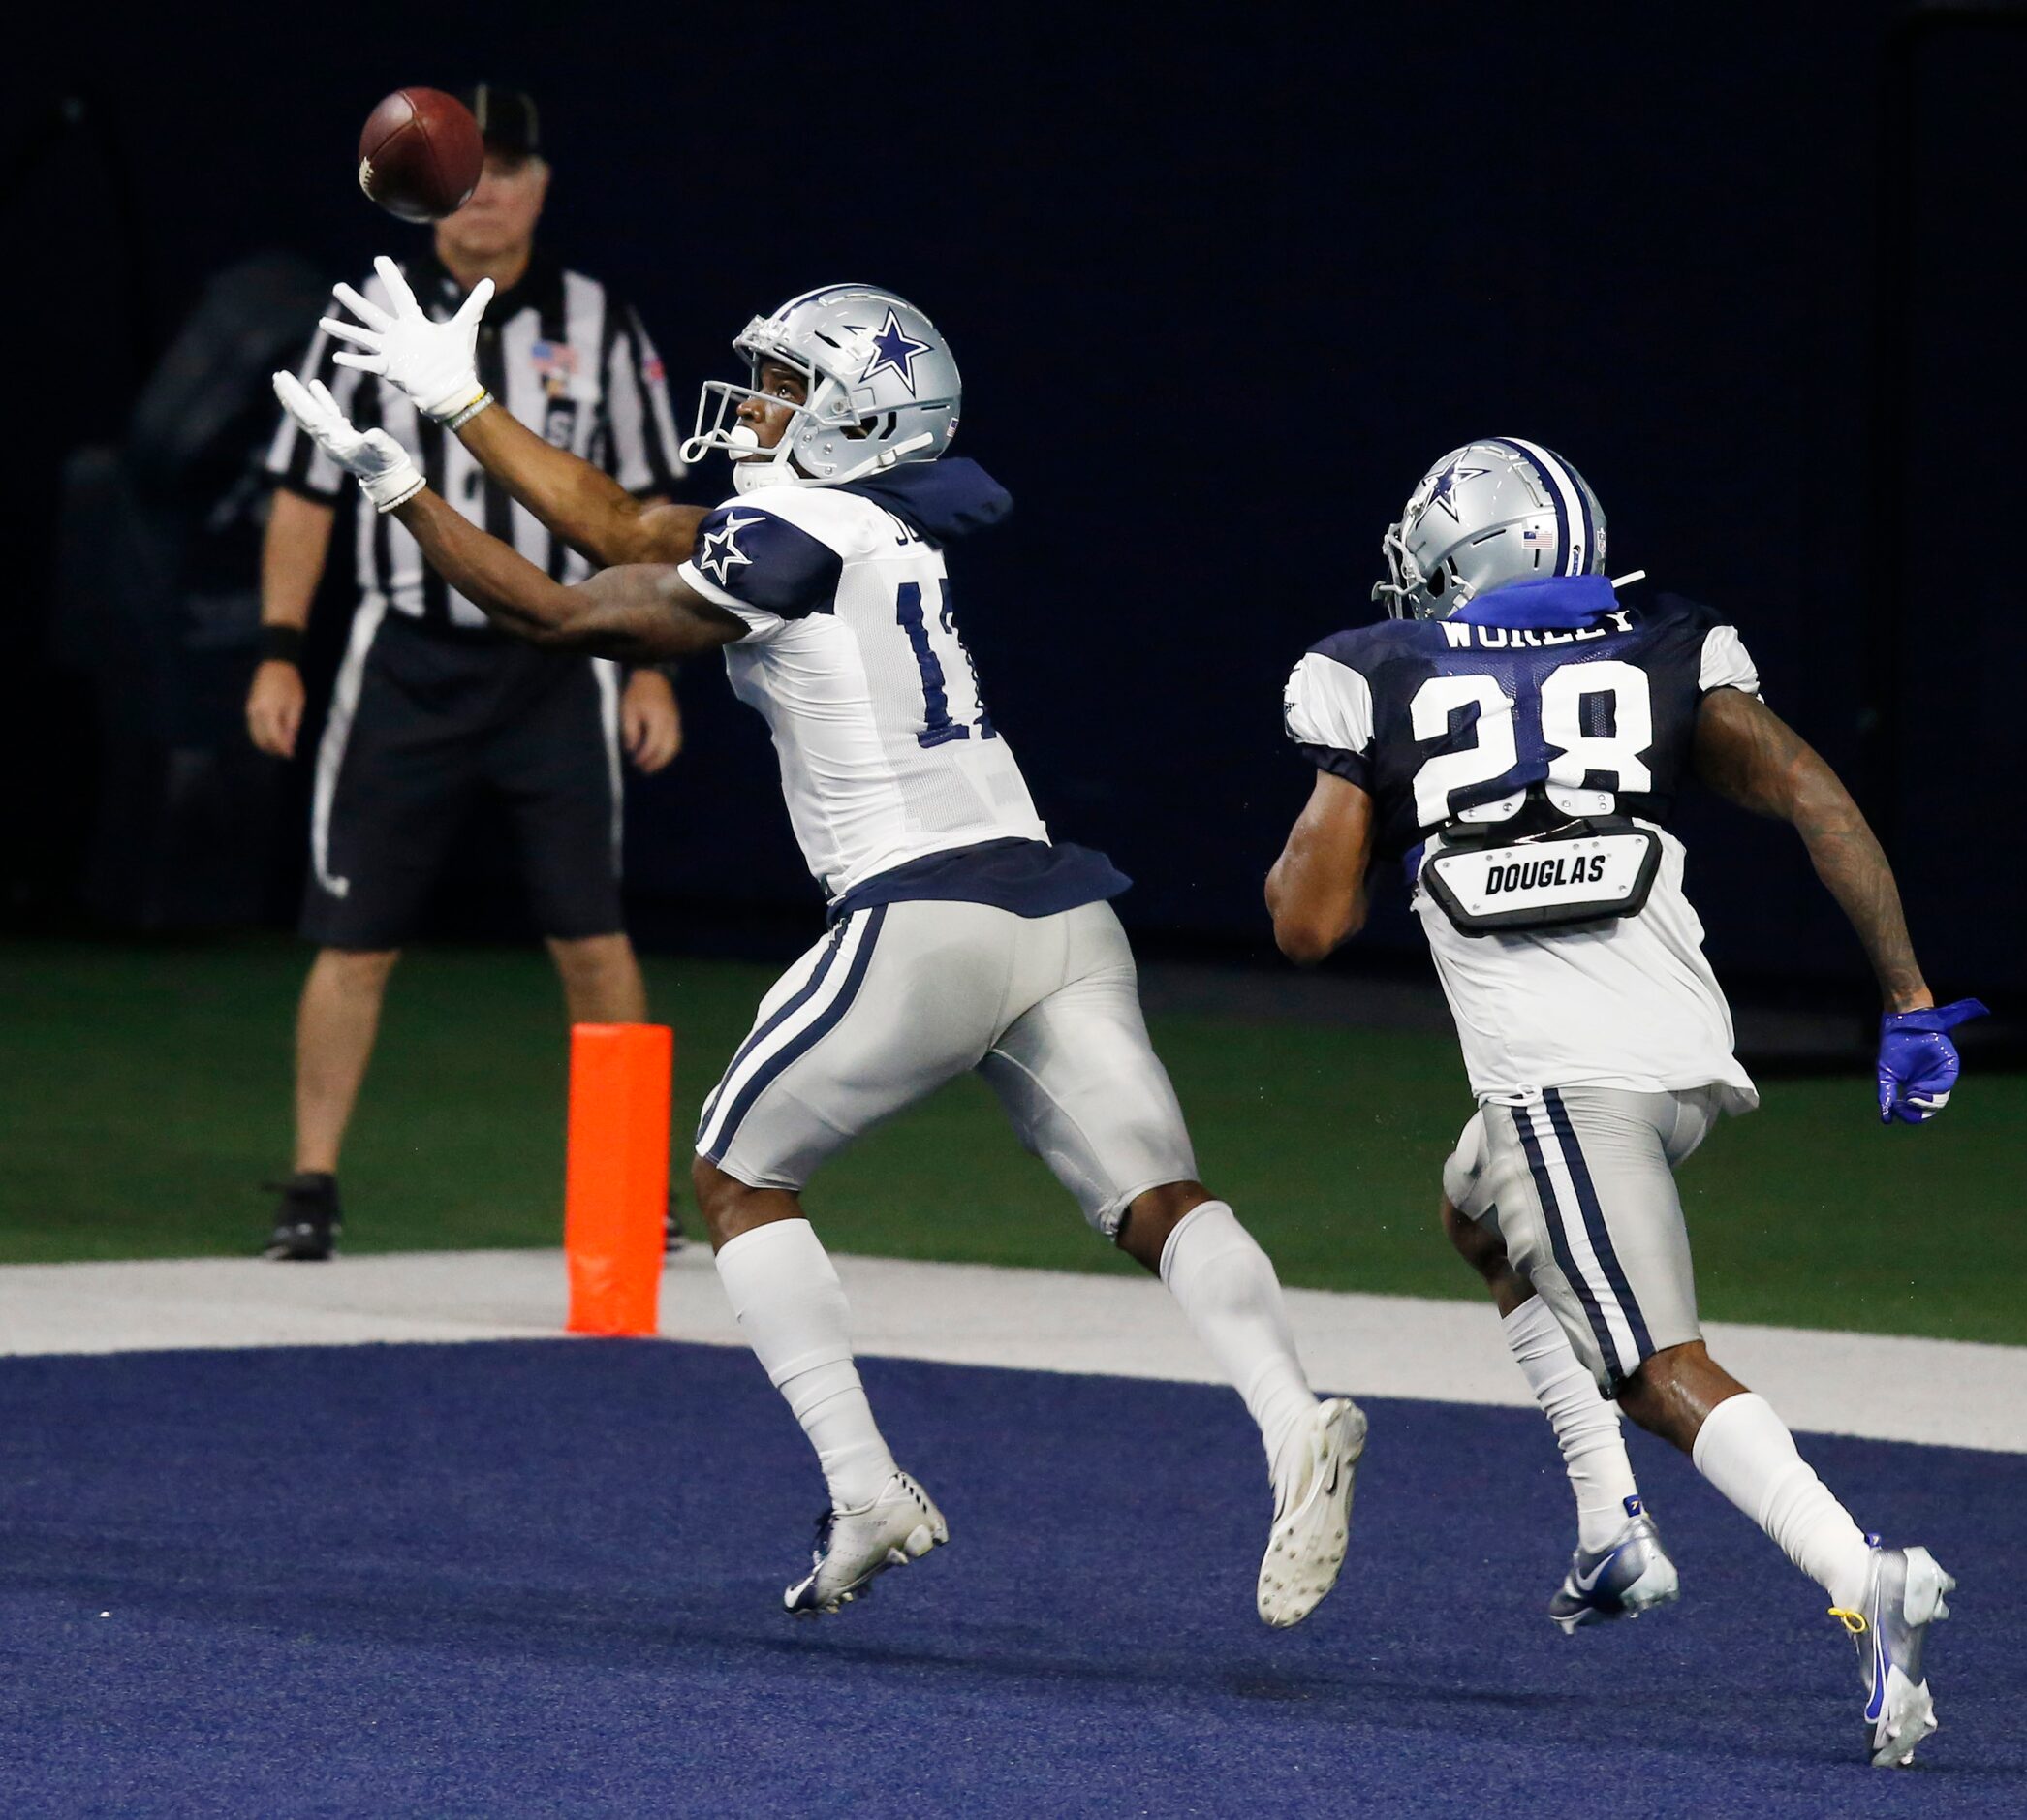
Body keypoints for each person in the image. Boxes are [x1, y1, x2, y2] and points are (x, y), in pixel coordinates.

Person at [268, 280, 1366, 1624]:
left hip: (922, 911)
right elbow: (617, 525)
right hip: (1060, 911)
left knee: (735, 1179)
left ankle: (866, 1486)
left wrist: (405, 482)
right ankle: (1287, 1415)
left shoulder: (794, 526)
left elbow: (562, 616)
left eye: (786, 386)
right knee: (1156, 1198)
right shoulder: (859, 524)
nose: (755, 404)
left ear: (854, 418)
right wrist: (463, 408)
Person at [1264, 439, 1984, 1769]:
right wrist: (1906, 996)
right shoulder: (1668, 644)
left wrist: (1361, 783)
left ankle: (1862, 1577)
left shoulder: (1377, 675)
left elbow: (1305, 925)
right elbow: (1816, 794)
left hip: (1562, 1076)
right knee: (1477, 1209)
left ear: (1467, 561)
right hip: (1678, 1051)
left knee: (1652, 1364)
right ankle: (1611, 1529)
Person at [249, 87, 687, 1259]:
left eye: (509, 167)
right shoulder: (370, 312)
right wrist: (281, 648)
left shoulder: (599, 319)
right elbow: (302, 490)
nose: (486, 187)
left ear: (542, 185)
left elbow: (642, 513)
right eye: (466, 166)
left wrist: (650, 667)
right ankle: (310, 1182)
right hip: (407, 656)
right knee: (357, 935)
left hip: (563, 660)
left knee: (591, 935)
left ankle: (631, 1188)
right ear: (417, 185)